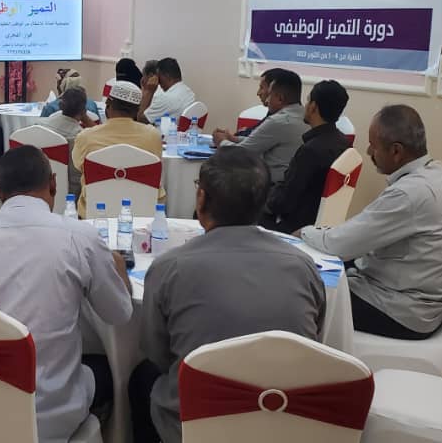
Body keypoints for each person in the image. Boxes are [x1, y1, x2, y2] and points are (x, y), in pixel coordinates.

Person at [131, 147, 326, 443]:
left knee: (141, 378)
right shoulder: (303, 265)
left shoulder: (169, 267)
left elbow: (157, 352)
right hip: (282, 416)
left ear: (201, 198)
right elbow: (313, 343)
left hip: (197, 422)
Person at [0, 145, 133, 443]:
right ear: (53, 183)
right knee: (109, 371)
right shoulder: (79, 237)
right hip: (53, 415)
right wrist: (118, 268)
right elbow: (119, 314)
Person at [300, 104, 442, 340]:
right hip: (415, 298)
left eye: (374, 145)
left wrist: (304, 232)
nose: (369, 151)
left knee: (299, 294)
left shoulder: (410, 194)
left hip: (398, 310)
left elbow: (338, 245)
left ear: (396, 151)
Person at [262, 80, 351, 234]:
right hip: (321, 225)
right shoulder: (344, 143)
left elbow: (283, 203)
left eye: (308, 100)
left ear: (313, 106)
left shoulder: (311, 151)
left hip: (293, 227)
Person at [72, 81, 165, 216]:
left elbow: (78, 166)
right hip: (143, 215)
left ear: (108, 105)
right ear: (137, 110)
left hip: (94, 215)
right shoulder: (153, 136)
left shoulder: (86, 137)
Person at [212, 69, 308, 186]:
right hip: (292, 185)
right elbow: (260, 142)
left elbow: (241, 154)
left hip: (271, 188)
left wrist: (221, 142)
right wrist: (234, 139)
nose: (267, 100)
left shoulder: (279, 121)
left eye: (270, 95)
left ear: (280, 98)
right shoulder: (303, 115)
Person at [40, 86, 91, 199]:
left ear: (60, 105)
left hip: (38, 187)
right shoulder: (78, 136)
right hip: (68, 197)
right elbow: (75, 179)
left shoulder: (41, 125)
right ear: (84, 111)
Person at [138, 58, 196, 124]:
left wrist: (149, 91)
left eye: (158, 76)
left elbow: (141, 119)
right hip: (181, 129)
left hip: (165, 130)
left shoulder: (166, 98)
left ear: (166, 76)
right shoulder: (188, 91)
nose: (158, 82)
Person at [237, 68, 287, 138]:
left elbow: (251, 140)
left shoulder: (278, 121)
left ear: (272, 90)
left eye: (262, 88)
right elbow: (251, 132)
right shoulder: (273, 112)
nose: (258, 93)